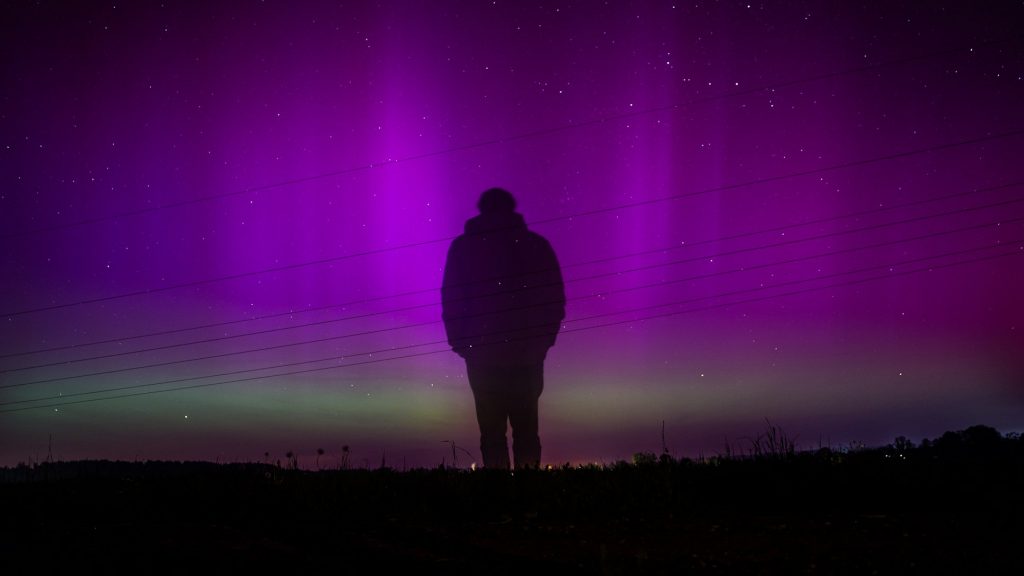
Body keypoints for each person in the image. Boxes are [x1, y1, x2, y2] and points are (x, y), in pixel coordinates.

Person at [441, 188, 565, 470]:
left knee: (492, 433)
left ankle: (498, 490)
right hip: (526, 354)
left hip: (483, 354)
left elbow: (451, 298)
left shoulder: (463, 248)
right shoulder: (535, 244)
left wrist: (461, 343)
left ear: (481, 209)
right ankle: (526, 490)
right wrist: (543, 341)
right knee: (526, 430)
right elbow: (554, 298)